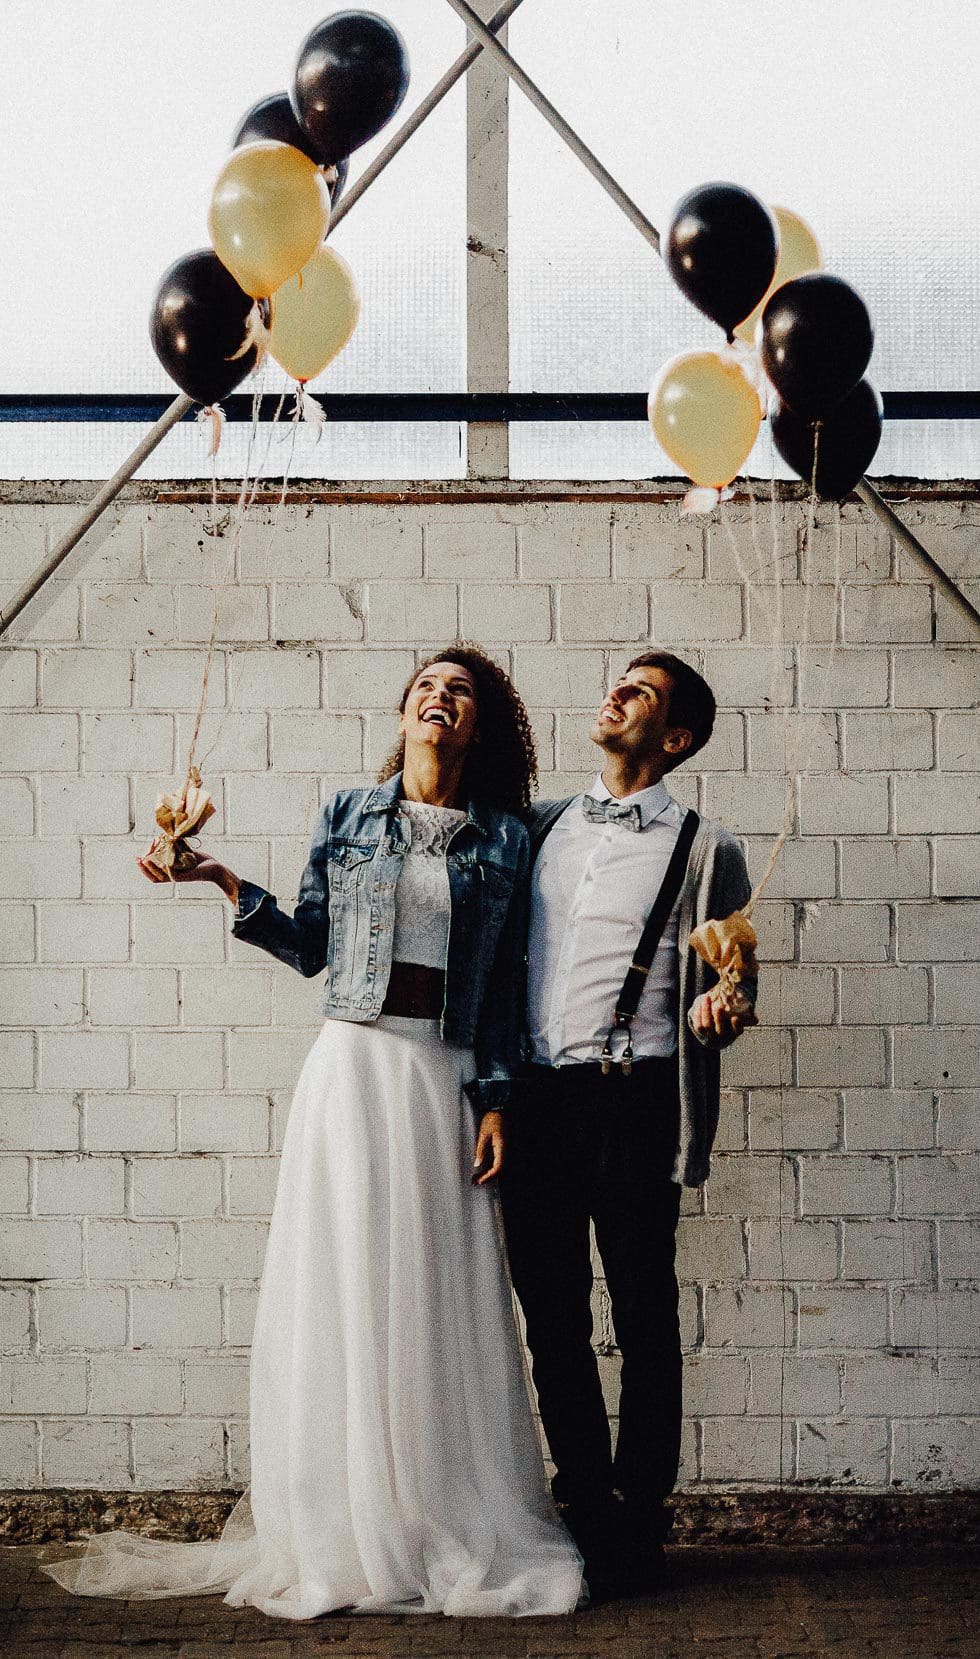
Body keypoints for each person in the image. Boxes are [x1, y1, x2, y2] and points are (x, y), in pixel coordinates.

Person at [41, 645, 583, 1621]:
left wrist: (498, 1099)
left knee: (435, 1287)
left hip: (442, 1072)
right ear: (405, 713)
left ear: (481, 725)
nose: (439, 697)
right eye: (426, 686)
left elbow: (505, 983)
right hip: (353, 1066)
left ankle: (435, 1509)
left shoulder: (507, 836)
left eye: (459, 691)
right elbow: (310, 945)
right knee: (347, 1280)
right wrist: (219, 878)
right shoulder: (348, 812)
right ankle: (345, 1524)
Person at [500, 650, 757, 1599]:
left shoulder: (707, 847)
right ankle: (586, 1508)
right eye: (619, 679)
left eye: (640, 691)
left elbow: (734, 978)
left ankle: (642, 1513)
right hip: (536, 1100)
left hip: (635, 1099)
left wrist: (723, 1010)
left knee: (645, 1313)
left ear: (675, 736)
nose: (615, 692)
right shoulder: (540, 826)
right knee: (553, 1317)